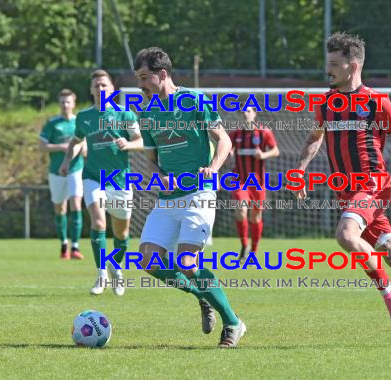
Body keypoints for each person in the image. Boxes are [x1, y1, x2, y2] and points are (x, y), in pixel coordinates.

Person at [292, 32, 391, 348]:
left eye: (334, 64)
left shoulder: (377, 101)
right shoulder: (325, 103)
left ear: (352, 65)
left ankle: (388, 292)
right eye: (328, 63)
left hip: (372, 185)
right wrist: (299, 170)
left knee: (345, 235)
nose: (328, 70)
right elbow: (315, 138)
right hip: (347, 193)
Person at [135, 47, 246, 348]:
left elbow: (223, 140)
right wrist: (159, 176)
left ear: (162, 74)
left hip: (199, 193)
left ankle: (234, 323)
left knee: (187, 262)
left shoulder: (195, 100)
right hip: (168, 199)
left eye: (144, 77)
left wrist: (213, 167)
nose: (140, 85)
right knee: (148, 260)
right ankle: (202, 296)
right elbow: (151, 161)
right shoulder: (147, 113)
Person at [60, 70, 143, 296]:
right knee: (98, 223)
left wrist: (128, 143)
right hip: (93, 177)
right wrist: (68, 160)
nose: (100, 89)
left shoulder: (125, 114)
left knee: (121, 234)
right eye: (96, 85)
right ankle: (101, 274)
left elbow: (140, 140)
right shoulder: (84, 117)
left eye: (104, 85)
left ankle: (116, 269)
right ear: (91, 90)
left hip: (120, 181)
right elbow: (76, 141)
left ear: (112, 89)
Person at [39, 89, 85, 260]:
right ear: (59, 104)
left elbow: (85, 145)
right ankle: (64, 245)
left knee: (76, 204)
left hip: (76, 169)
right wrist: (62, 147)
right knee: (60, 208)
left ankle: (75, 247)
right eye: (62, 102)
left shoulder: (79, 122)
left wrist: (81, 148)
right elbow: (42, 146)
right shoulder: (52, 124)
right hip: (56, 171)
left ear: (74, 104)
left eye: (68, 102)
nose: (65, 105)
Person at [229, 107, 279, 261]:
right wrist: (228, 153)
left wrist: (263, 154)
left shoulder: (264, 132)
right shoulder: (236, 134)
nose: (246, 113)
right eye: (243, 111)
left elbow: (276, 151)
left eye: (249, 111)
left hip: (257, 182)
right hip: (239, 180)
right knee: (241, 211)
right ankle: (244, 245)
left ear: (255, 114)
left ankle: (254, 252)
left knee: (256, 216)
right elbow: (226, 147)